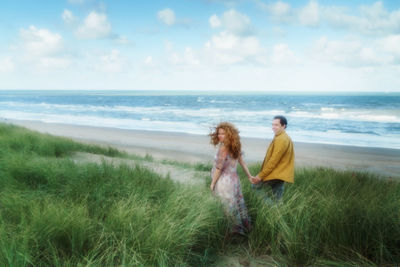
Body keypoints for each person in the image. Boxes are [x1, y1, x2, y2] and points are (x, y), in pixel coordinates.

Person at [209, 122, 252, 235]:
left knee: (228, 207)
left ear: (229, 134)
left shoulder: (224, 149)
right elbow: (242, 163)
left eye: (223, 134)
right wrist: (249, 176)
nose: (220, 136)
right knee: (237, 203)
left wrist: (213, 183)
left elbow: (219, 168)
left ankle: (235, 232)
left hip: (224, 182)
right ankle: (245, 228)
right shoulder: (235, 146)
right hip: (234, 180)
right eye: (219, 133)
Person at [251, 115, 295, 202]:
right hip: (281, 174)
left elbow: (273, 161)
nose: (273, 127)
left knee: (255, 186)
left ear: (283, 126)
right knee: (278, 199)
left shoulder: (281, 139)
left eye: (276, 125)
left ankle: (271, 208)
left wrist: (260, 176)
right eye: (273, 125)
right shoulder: (284, 137)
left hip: (276, 173)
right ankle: (277, 213)